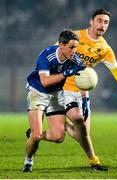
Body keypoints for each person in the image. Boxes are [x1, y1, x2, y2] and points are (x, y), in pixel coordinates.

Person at [63, 8, 117, 171]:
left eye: (106, 22)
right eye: (99, 20)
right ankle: (94, 162)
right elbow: (54, 52)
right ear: (91, 22)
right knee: (77, 122)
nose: (102, 25)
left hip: (82, 92)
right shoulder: (75, 36)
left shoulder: (105, 49)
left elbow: (116, 70)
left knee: (82, 135)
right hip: (63, 88)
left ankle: (59, 121)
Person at [22, 29, 85, 172]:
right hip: (37, 91)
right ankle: (28, 160)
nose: (74, 50)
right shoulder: (46, 56)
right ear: (61, 45)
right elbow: (44, 82)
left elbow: (84, 80)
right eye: (71, 47)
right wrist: (65, 73)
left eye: (76, 47)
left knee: (58, 137)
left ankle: (32, 135)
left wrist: (85, 98)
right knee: (36, 135)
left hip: (56, 94)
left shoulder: (75, 59)